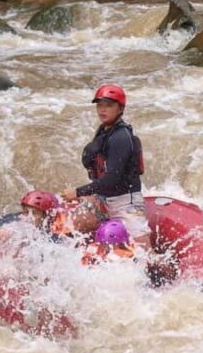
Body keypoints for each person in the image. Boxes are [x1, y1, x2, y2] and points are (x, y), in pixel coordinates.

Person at [61, 84, 149, 245]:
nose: (102, 110)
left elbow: (113, 178)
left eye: (109, 105)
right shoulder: (104, 131)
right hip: (104, 198)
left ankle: (164, 266)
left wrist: (78, 192)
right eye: (100, 105)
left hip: (126, 202)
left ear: (120, 108)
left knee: (146, 253)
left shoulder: (121, 137)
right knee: (73, 226)